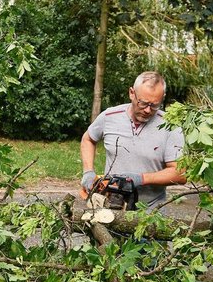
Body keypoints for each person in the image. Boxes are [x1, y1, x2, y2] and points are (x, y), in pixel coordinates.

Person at [79, 71, 185, 211]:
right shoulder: (110, 116)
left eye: (154, 105)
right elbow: (88, 139)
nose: (147, 110)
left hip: (150, 212)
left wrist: (141, 179)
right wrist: (88, 172)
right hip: (111, 207)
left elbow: (180, 174)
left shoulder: (171, 126)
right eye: (143, 103)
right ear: (132, 93)